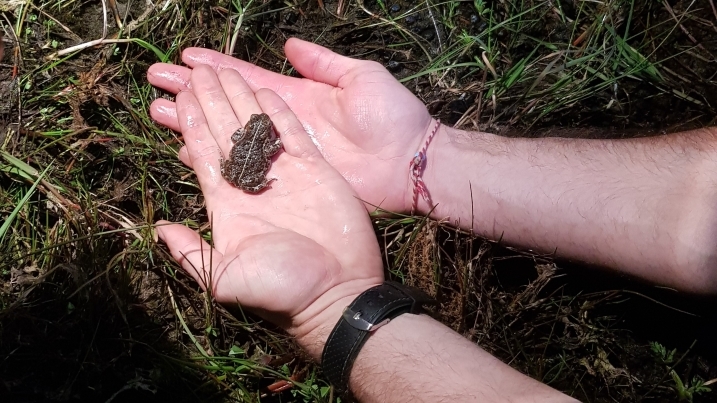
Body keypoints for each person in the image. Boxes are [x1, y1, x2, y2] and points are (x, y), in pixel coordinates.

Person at [146, 38, 717, 402]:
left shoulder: (260, 141)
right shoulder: (256, 142)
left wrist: (329, 308)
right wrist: (423, 156)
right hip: (252, 165)